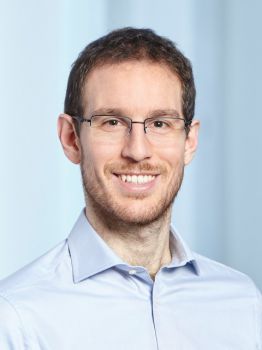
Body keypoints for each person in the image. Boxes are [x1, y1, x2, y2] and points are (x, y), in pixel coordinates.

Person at [0, 27, 261, 349]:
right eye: (112, 122)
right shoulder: (16, 318)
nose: (137, 151)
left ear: (189, 142)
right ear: (71, 138)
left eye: (160, 123)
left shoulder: (243, 303)